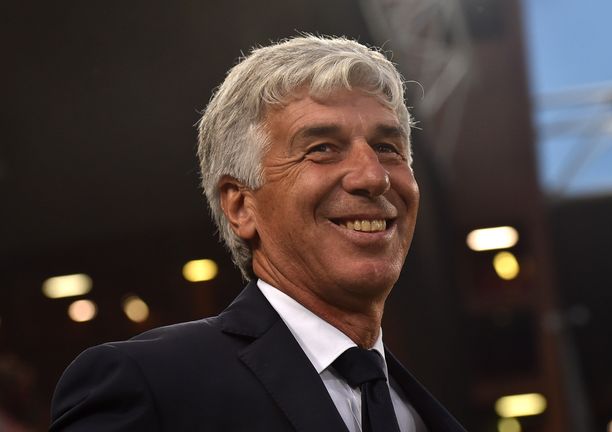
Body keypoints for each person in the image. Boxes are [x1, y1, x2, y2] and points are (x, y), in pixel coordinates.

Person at [50, 35, 467, 431]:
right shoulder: (148, 386)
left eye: (387, 148)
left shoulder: (422, 417)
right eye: (322, 148)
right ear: (240, 206)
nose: (372, 176)